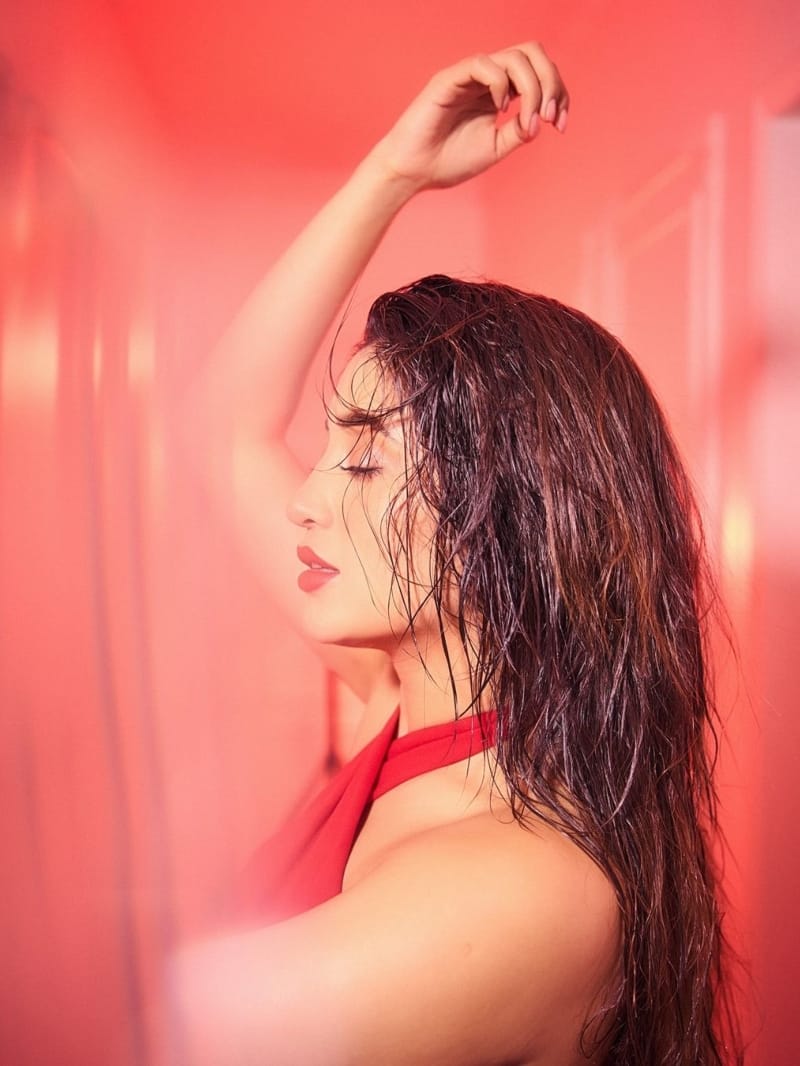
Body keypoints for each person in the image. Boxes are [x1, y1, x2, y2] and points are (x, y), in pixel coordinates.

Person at [168, 42, 741, 1066]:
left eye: (361, 460)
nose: (304, 497)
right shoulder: (412, 704)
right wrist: (394, 170)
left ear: (505, 516)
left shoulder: (514, 892)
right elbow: (226, 429)